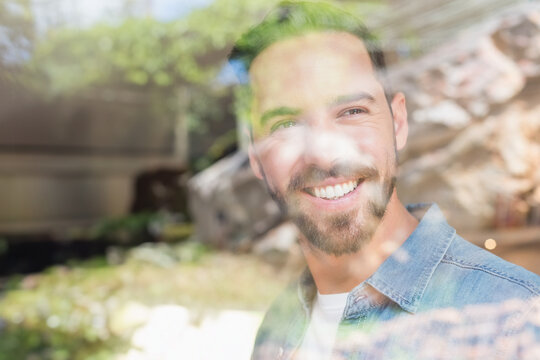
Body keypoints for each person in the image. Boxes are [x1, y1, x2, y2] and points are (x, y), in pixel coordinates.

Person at [229, 1, 540, 359]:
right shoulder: (279, 323)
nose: (324, 155)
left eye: (351, 111)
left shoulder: (516, 325)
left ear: (398, 123)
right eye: (285, 124)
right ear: (255, 158)